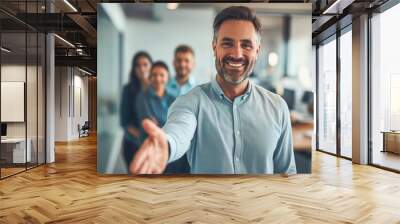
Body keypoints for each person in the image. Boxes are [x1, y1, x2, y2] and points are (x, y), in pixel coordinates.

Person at [130, 6, 296, 174]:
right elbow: (179, 129)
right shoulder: (190, 102)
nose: (237, 53)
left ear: (257, 51)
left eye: (246, 45)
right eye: (227, 43)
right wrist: (166, 144)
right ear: (215, 47)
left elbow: (287, 173)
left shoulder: (278, 107)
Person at [135, 61, 189, 173]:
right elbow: (150, 123)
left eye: (161, 75)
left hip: (172, 148)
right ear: (150, 77)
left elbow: (179, 122)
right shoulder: (142, 98)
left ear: (168, 78)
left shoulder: (174, 98)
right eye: (154, 75)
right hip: (153, 148)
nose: (158, 78)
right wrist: (168, 125)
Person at [120, 51, 152, 171]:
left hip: (153, 144)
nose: (142, 68)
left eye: (145, 64)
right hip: (133, 144)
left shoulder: (158, 88)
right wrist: (144, 138)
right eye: (138, 65)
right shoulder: (128, 90)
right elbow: (125, 122)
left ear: (151, 67)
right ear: (134, 69)